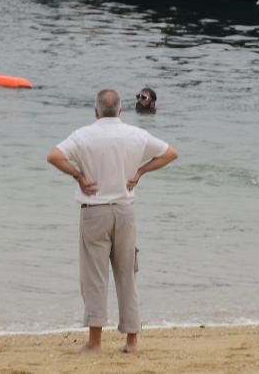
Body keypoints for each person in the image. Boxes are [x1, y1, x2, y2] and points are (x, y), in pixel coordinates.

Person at [46, 89, 178, 354]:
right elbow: (169, 153)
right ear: (120, 110)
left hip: (94, 211)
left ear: (96, 111)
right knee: (127, 274)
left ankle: (95, 342)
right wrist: (140, 171)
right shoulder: (135, 134)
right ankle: (132, 341)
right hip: (124, 210)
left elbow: (54, 156)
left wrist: (78, 177)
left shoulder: (83, 134)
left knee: (95, 277)